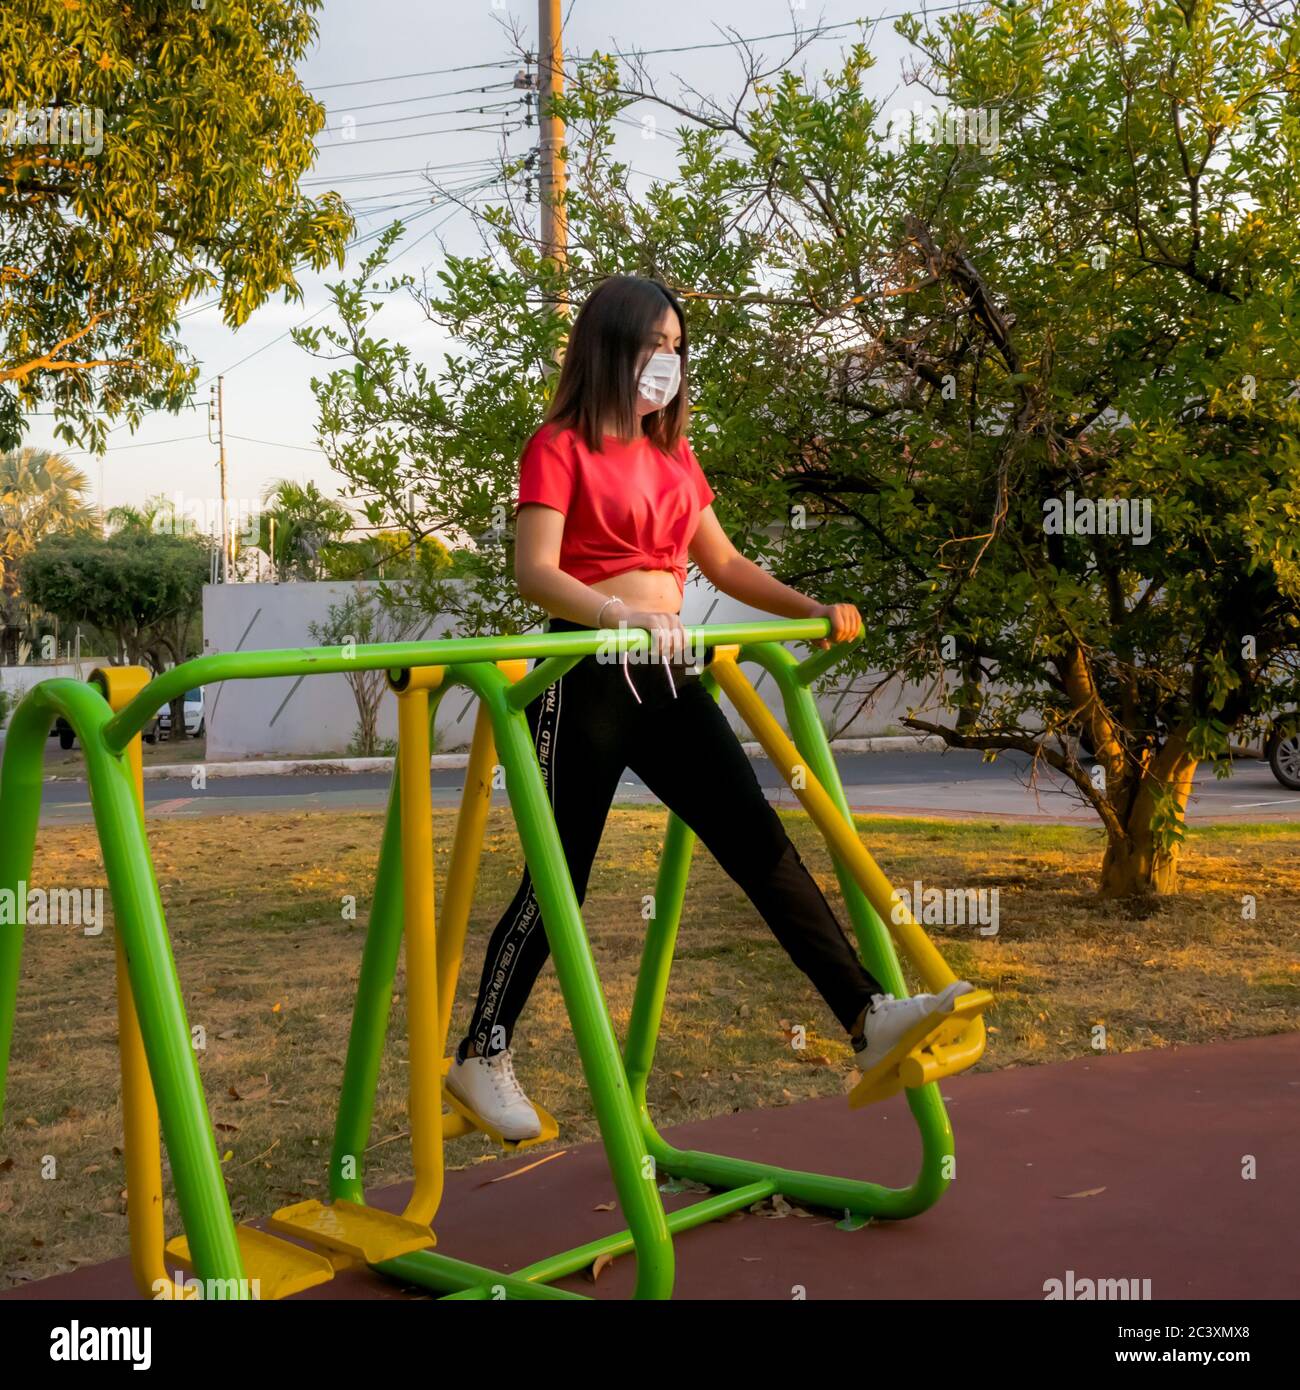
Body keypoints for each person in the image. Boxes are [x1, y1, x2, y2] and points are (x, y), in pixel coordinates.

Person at [447, 273, 972, 1139]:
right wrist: (616, 613)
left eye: (678, 348)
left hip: (665, 672)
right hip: (580, 672)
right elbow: (534, 569)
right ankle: (482, 1050)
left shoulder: (675, 458)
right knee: (560, 875)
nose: (668, 362)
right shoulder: (560, 445)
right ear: (612, 346)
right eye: (654, 344)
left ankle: (868, 1016)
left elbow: (724, 567)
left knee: (759, 842)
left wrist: (807, 608)